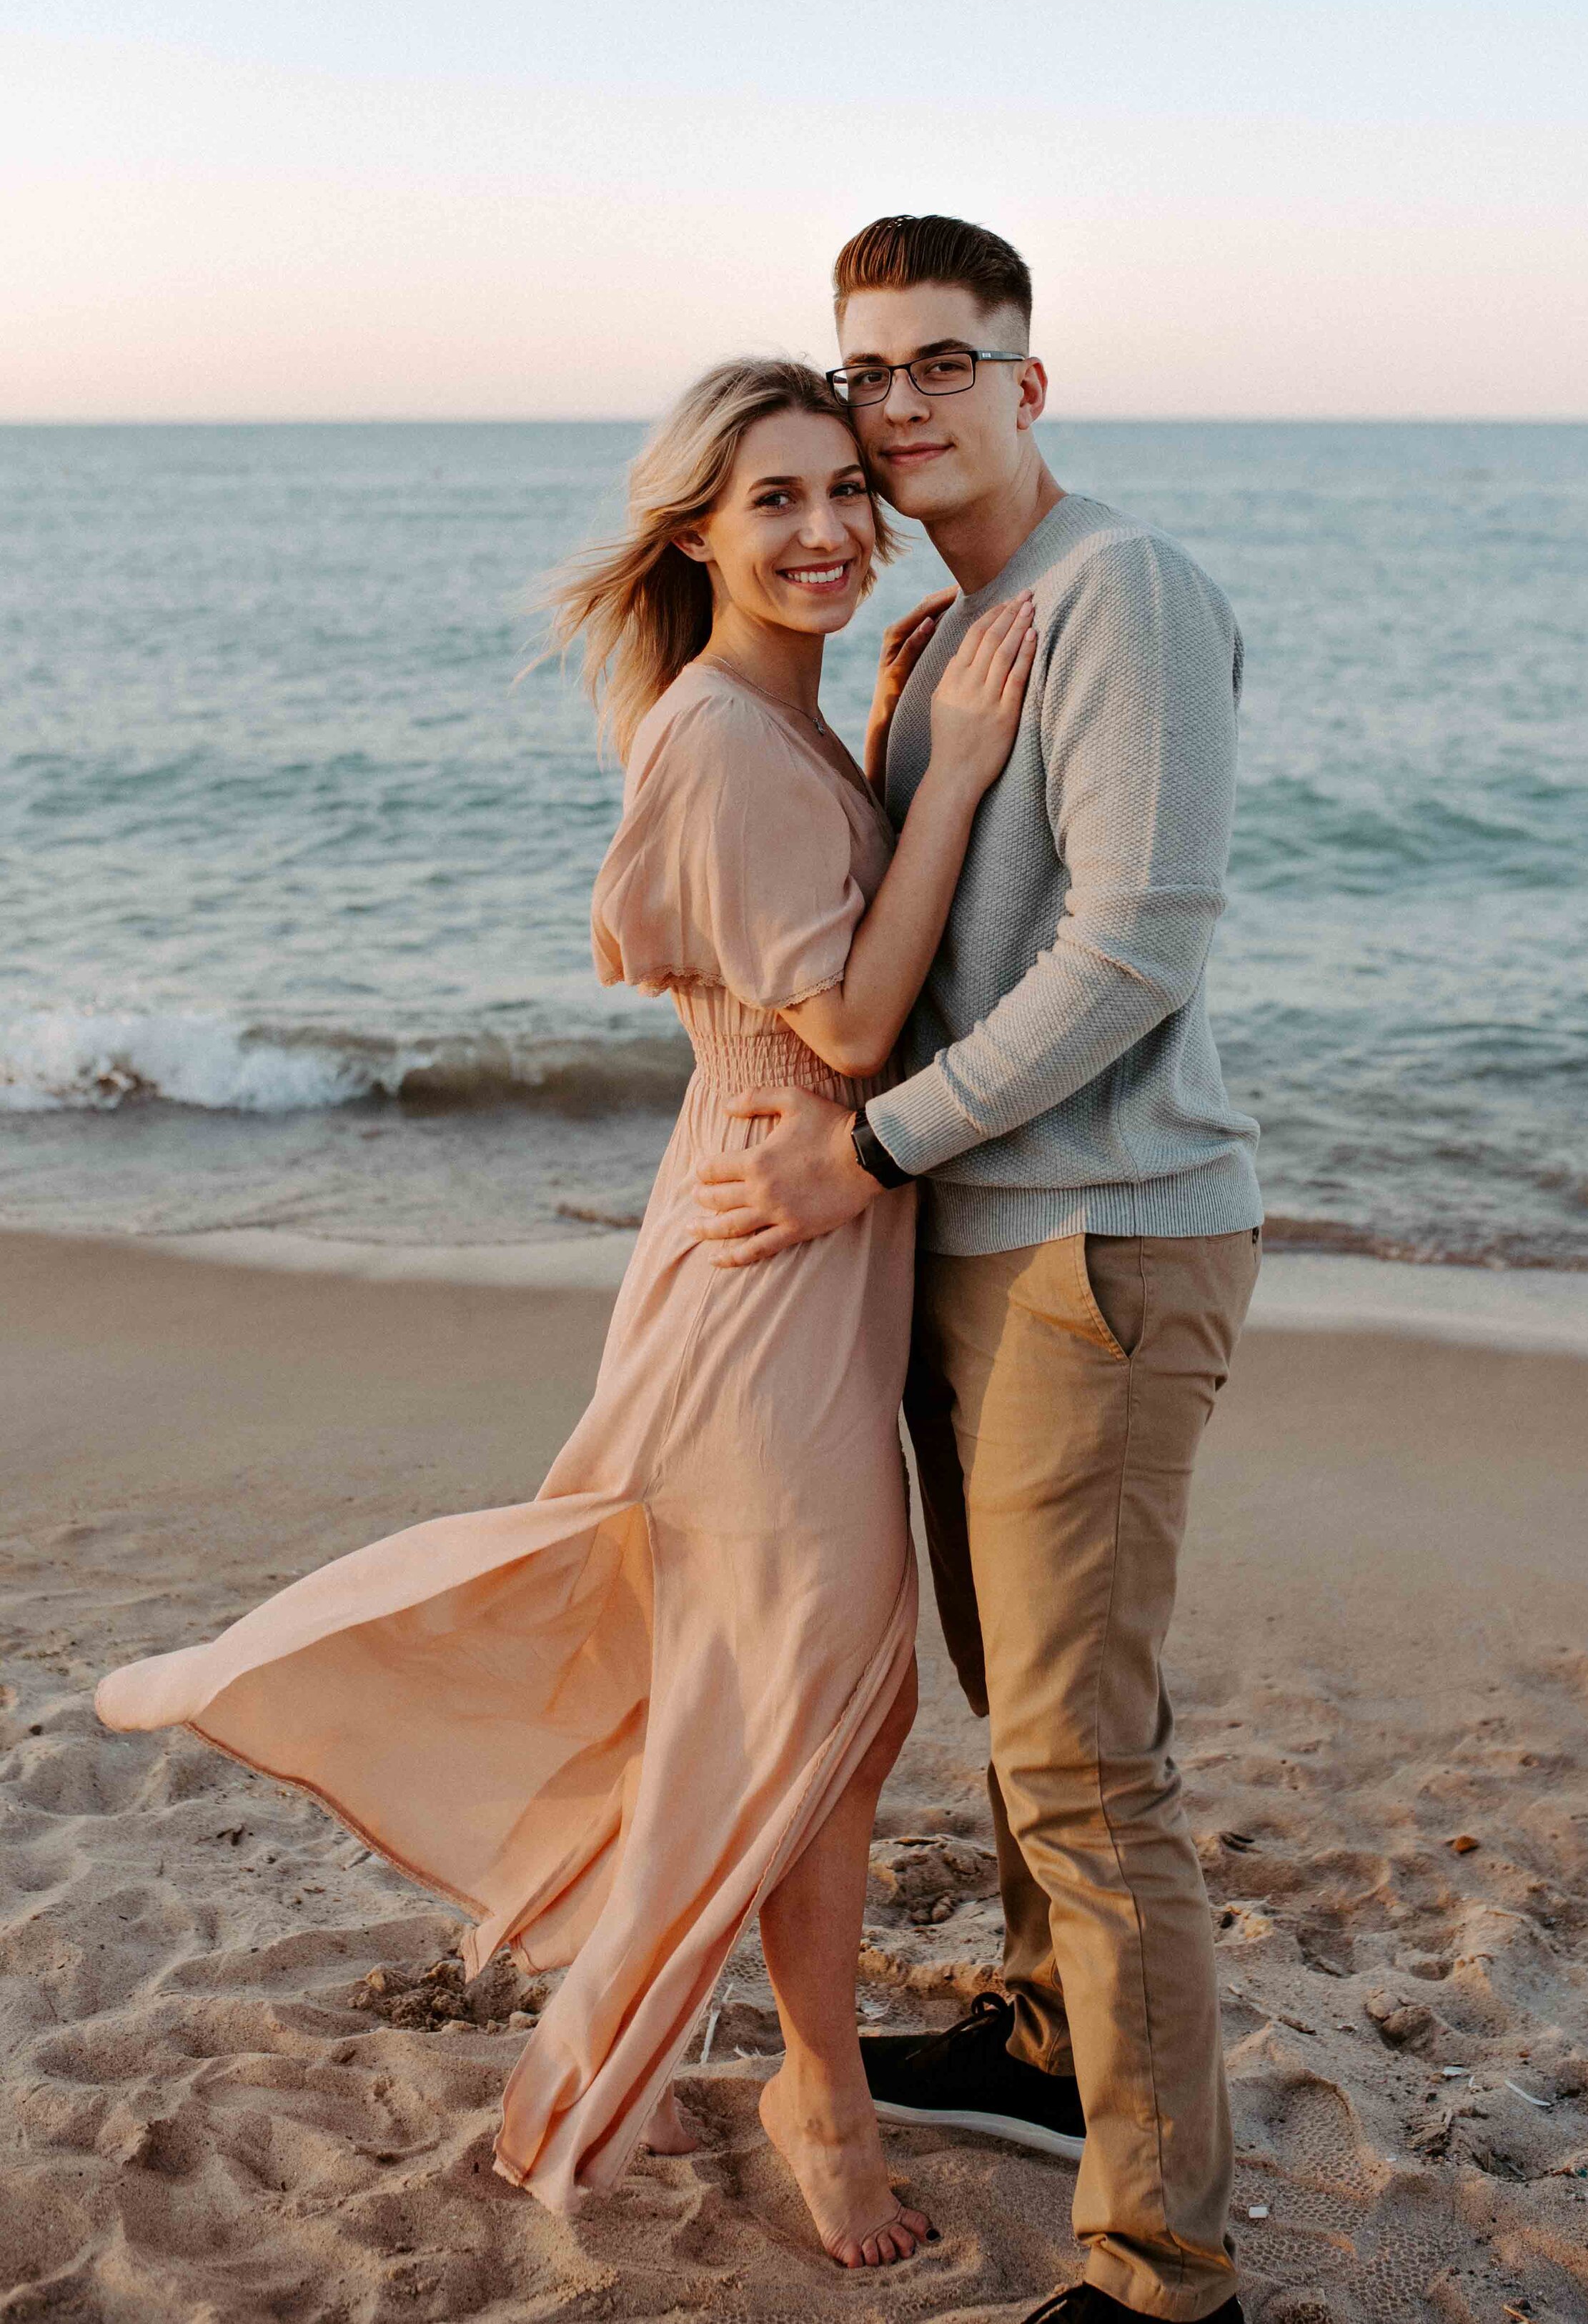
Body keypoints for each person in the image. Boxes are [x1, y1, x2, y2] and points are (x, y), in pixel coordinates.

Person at [94, 356, 1037, 2271]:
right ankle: (820, 2094)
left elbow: (815, 945)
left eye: (847, 486)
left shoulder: (774, 717)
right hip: (767, 1267)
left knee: (829, 1702)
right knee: (813, 1690)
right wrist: (968, 771)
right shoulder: (706, 732)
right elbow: (849, 1025)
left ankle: (787, 2053)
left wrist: (888, 734)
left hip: (809, 1241)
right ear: (692, 525)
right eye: (772, 497)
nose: (828, 526)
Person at [690, 218, 1264, 2324]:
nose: (900, 403)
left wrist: (868, 1148)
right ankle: (1040, 2045)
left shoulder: (1119, 594)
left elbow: (1132, 954)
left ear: (1032, 385)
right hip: (969, 1242)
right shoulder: (955, 623)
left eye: (947, 362)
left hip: (1100, 1243)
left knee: (1091, 1766)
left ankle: (1163, 2272)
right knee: (1037, 1718)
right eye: (869, 372)